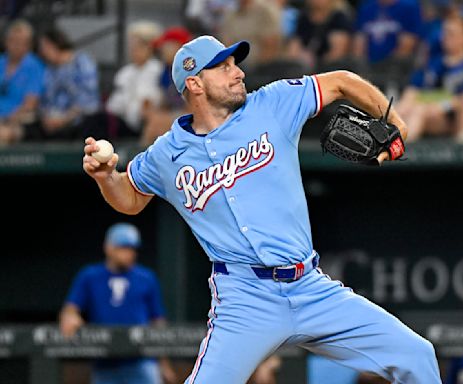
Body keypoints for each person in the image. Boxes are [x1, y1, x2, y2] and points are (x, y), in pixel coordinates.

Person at [82, 35, 442, 383]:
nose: (237, 72)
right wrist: (104, 177)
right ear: (194, 83)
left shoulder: (272, 103)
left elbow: (341, 82)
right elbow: (129, 198)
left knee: (417, 355)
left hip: (310, 287)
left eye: (234, 64)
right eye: (223, 67)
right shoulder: (166, 154)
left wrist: (397, 124)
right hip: (244, 299)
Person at [59, 222, 177, 384]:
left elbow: (157, 321)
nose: (129, 254)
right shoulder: (90, 276)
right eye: (123, 248)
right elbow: (70, 309)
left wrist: (164, 364)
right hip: (104, 362)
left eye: (132, 249)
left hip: (141, 360)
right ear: (108, 247)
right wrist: (70, 316)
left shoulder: (146, 277)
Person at [396, 15, 463, 143]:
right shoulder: (434, 63)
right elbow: (414, 89)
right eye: (444, 33)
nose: (445, 38)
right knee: (412, 106)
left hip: (461, 111)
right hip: (434, 113)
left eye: (451, 33)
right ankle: (398, 149)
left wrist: (439, 103)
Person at [28, 26, 100, 141]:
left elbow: (88, 101)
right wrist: (46, 118)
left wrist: (64, 119)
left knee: (91, 122)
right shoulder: (48, 70)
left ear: (53, 44)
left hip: (78, 120)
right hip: (52, 122)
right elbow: (44, 101)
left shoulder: (82, 62)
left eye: (44, 47)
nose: (42, 52)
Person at [105, 20, 164, 139]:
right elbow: (114, 104)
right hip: (123, 119)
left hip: (144, 121)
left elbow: (153, 99)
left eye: (138, 46)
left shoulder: (158, 70)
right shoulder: (125, 72)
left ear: (149, 48)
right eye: (132, 46)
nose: (133, 50)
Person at [0, 19, 45, 145]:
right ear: (6, 42)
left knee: (3, 134)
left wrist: (7, 119)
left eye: (21, 42)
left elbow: (30, 104)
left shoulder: (35, 66)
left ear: (29, 45)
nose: (16, 46)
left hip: (19, 121)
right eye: (12, 41)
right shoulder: (1, 62)